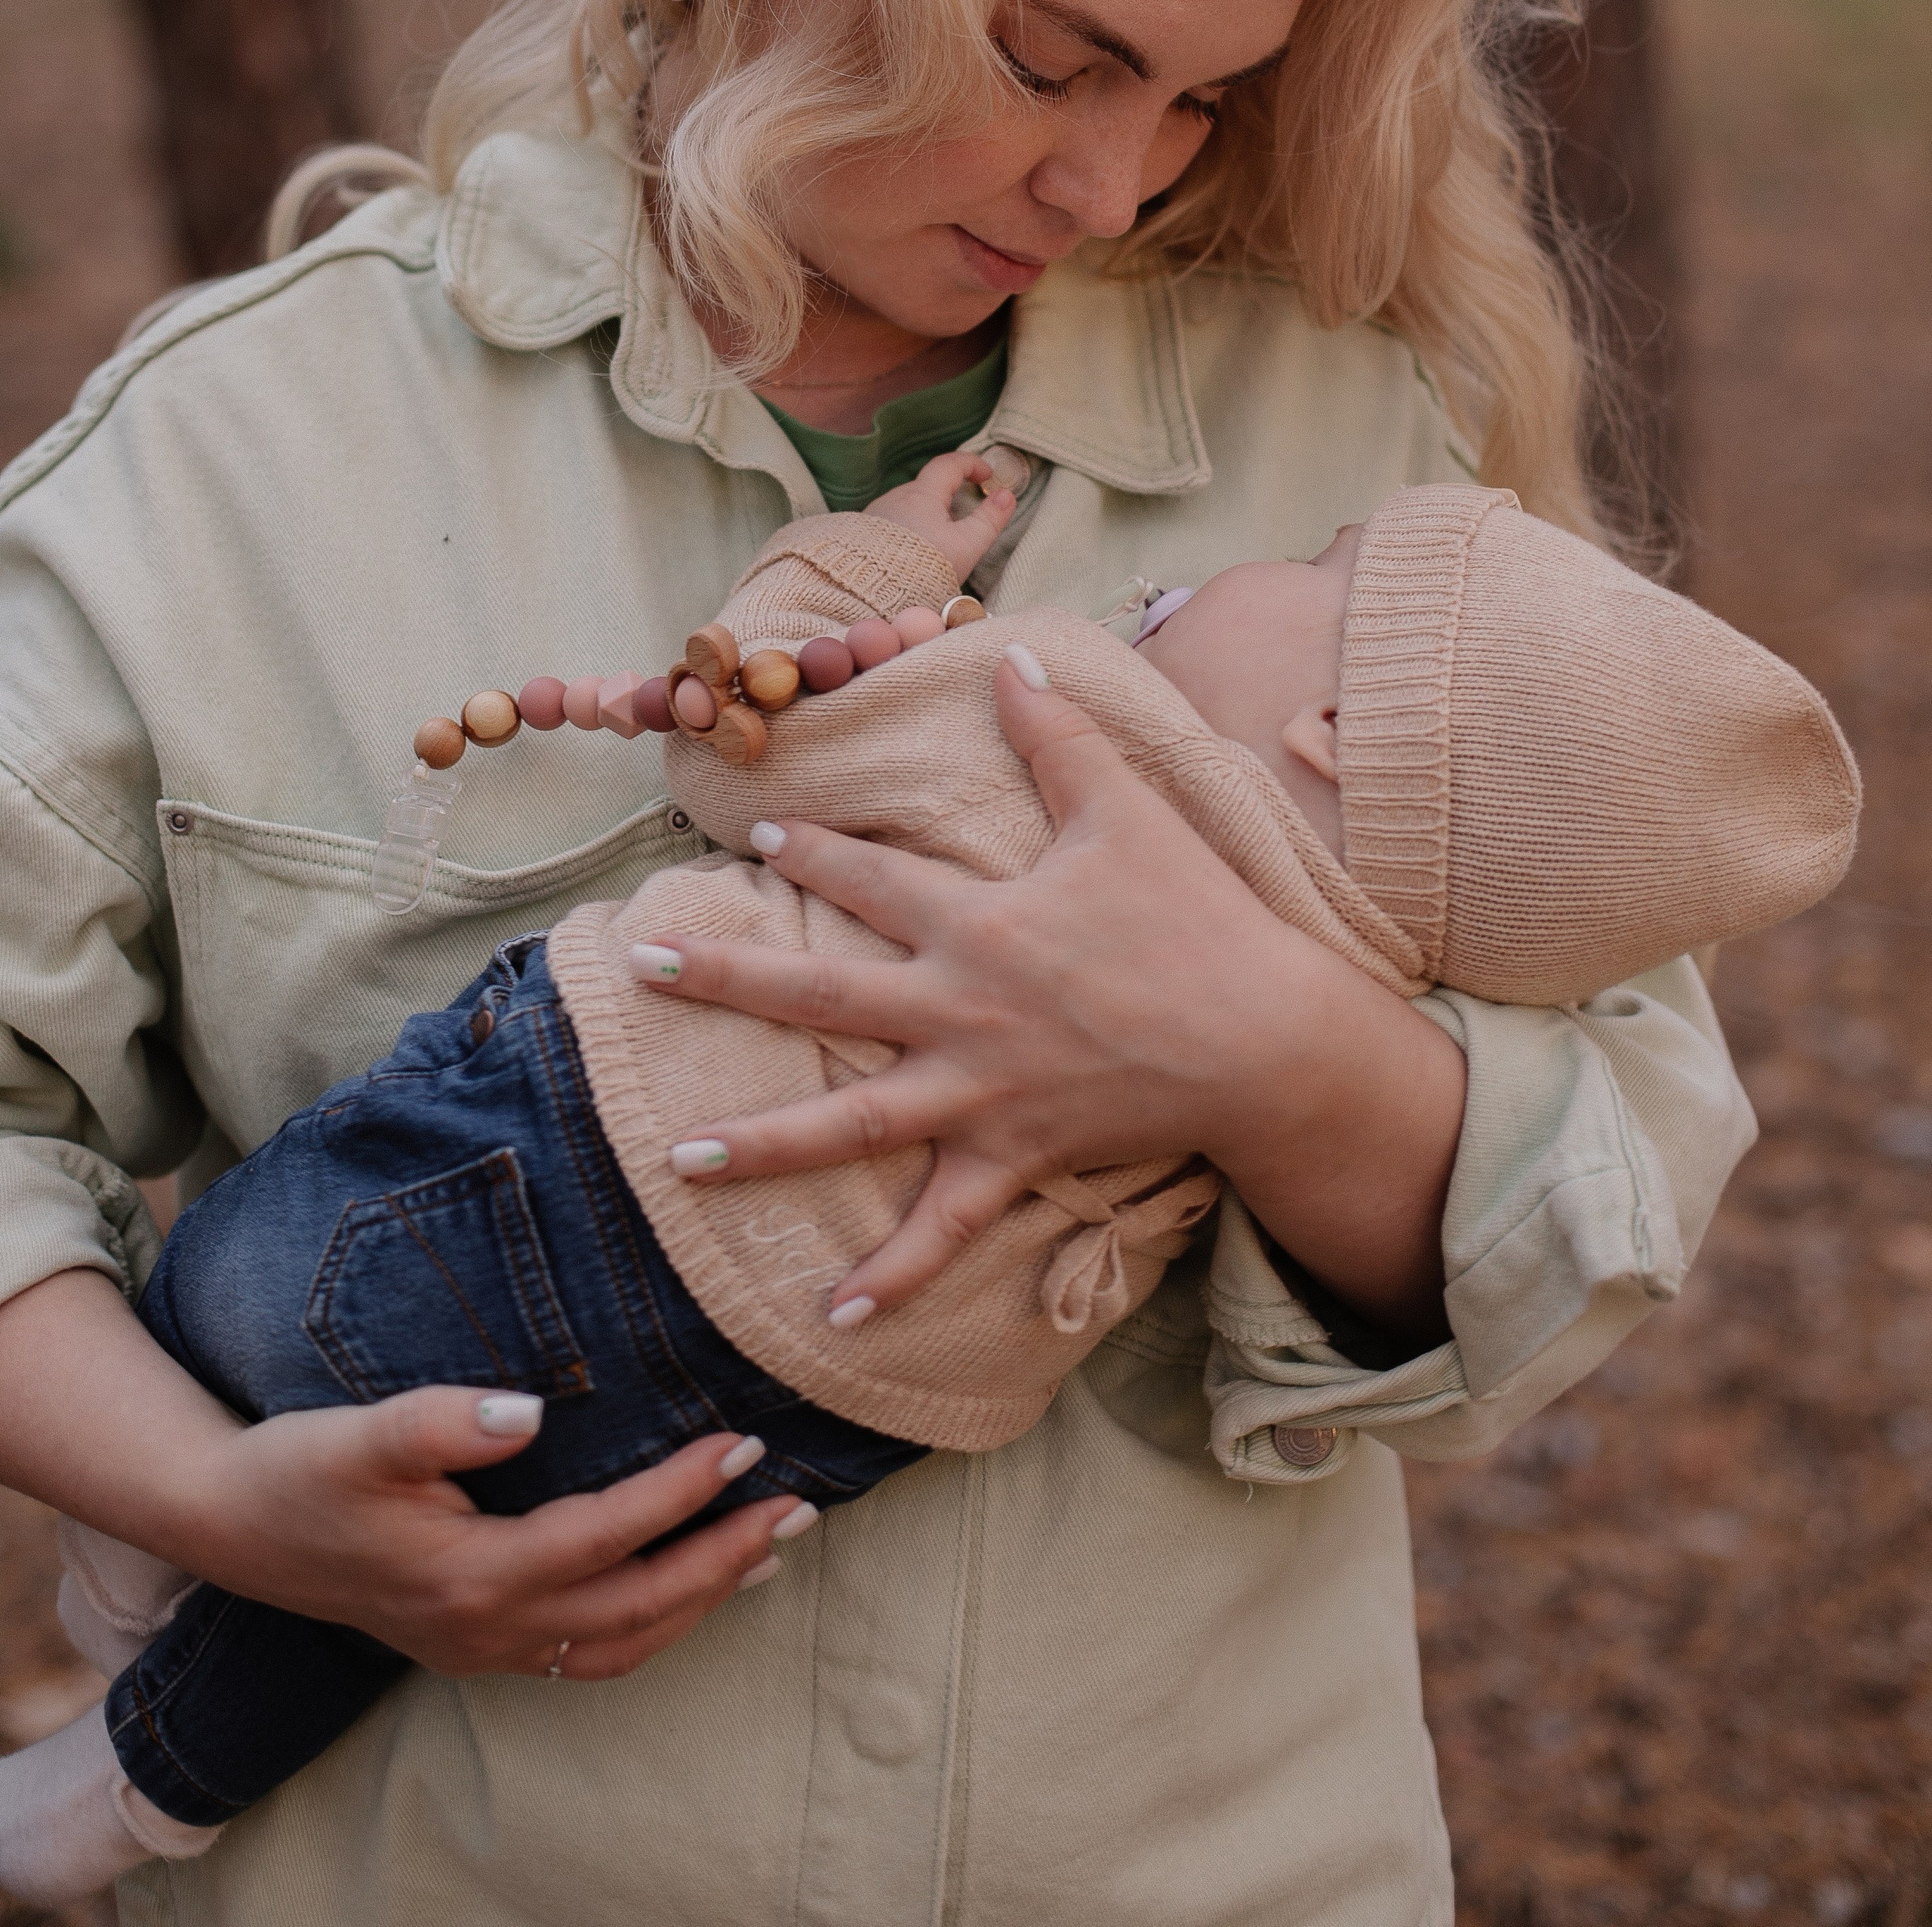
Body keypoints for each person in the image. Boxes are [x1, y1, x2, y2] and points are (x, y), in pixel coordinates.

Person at [0, 0, 1761, 1927]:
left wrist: (1258, 1054)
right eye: (1056, 54)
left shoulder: (1355, 455)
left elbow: (1615, 1177)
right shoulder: (238, 459)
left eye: (1205, 98)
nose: (1116, 182)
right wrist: (208, 1505)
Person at [2, 448, 1857, 1901]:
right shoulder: (1385, 972)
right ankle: (144, 1784)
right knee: (447, 1562)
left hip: (588, 1178)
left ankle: (146, 1544)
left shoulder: (1079, 710)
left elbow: (749, 767)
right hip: (837, 1398)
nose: (1220, 576)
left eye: (1302, 578)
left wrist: (863, 584)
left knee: (258, 1292)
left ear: (1330, 735)